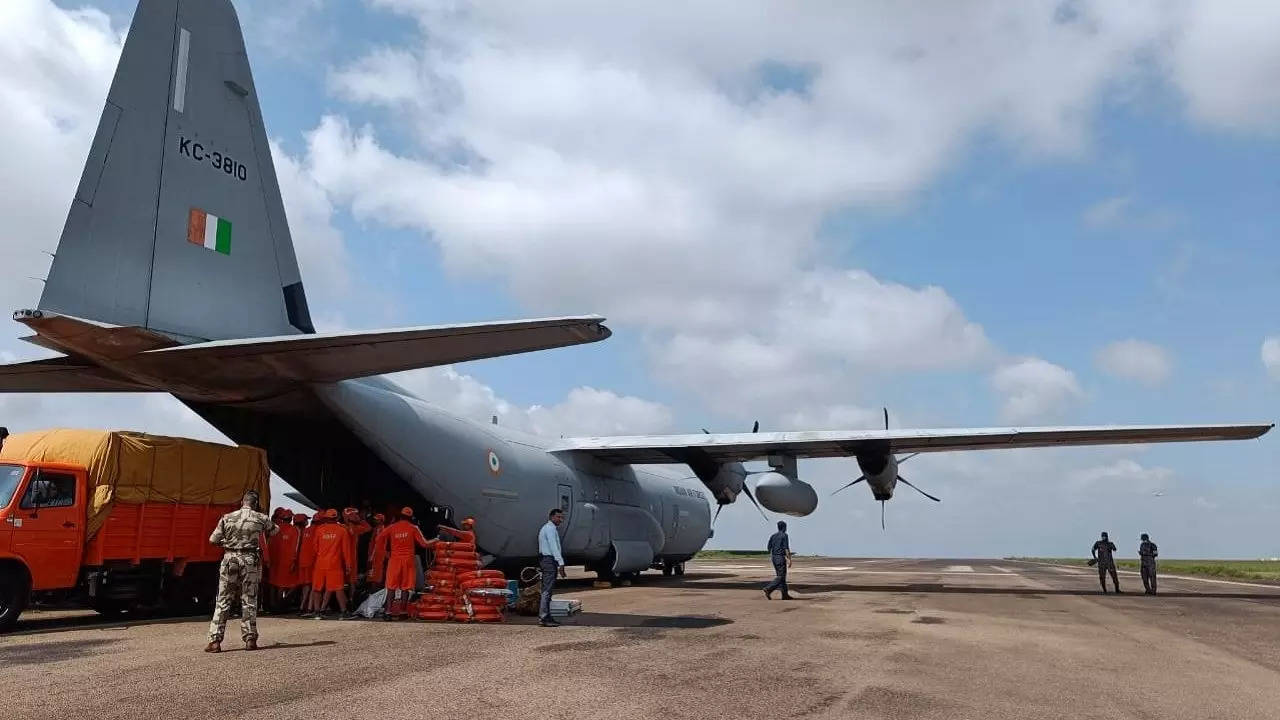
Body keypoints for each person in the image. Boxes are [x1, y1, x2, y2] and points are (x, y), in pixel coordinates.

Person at [205, 489, 276, 653]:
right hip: (250, 561)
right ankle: (250, 639)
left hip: (230, 559)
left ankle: (215, 641)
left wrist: (228, 544)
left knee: (223, 600)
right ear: (255, 504)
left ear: (242, 502)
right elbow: (275, 531)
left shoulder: (227, 518)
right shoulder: (260, 518)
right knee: (249, 600)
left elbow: (212, 539)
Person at [379, 507, 434, 619]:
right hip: (408, 561)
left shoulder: (392, 527)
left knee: (391, 587)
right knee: (405, 587)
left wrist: (385, 553)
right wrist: (436, 540)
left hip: (394, 561)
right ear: (410, 517)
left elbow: (379, 538)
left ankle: (388, 612)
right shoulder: (413, 528)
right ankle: (403, 612)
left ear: (400, 516)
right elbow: (424, 544)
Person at [307, 509, 355, 618]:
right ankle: (344, 612)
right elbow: (346, 550)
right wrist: (348, 565)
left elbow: (314, 548)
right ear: (337, 518)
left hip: (320, 563)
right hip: (334, 564)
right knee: (338, 588)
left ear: (326, 518)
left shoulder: (319, 530)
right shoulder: (342, 531)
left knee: (317, 588)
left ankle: (317, 612)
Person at [537, 508, 567, 627]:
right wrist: (561, 563)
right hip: (549, 560)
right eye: (558, 517)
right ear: (551, 517)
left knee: (548, 590)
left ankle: (547, 616)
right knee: (547, 590)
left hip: (548, 560)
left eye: (561, 518)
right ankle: (544, 617)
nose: (560, 520)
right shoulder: (549, 529)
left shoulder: (549, 528)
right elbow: (553, 547)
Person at [265, 508, 299, 612]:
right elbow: (295, 547)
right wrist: (294, 560)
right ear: (291, 518)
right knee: (282, 584)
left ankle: (272, 604)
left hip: (274, 560)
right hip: (287, 561)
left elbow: (269, 544)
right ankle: (279, 605)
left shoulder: (275, 529)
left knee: (273, 583)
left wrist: (268, 560)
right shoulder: (294, 530)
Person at [341, 507, 371, 587]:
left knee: (343, 579)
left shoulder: (342, 527)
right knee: (352, 580)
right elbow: (368, 528)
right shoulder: (355, 528)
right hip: (351, 557)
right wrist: (361, 520)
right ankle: (350, 598)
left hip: (343, 556)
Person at [763, 520, 793, 600]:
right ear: (784, 527)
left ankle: (785, 595)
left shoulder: (773, 536)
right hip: (780, 558)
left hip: (774, 558)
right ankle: (768, 589)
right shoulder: (784, 535)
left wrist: (774, 554)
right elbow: (786, 548)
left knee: (781, 577)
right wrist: (789, 559)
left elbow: (768, 548)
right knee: (781, 576)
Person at [293, 513, 314, 614]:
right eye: (306, 520)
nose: (307, 522)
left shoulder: (303, 531)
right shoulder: (300, 531)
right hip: (308, 561)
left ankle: (301, 605)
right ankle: (304, 606)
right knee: (308, 585)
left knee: (303, 584)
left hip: (301, 561)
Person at [367, 513, 387, 588]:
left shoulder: (382, 529)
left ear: (381, 521)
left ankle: (375, 590)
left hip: (378, 555)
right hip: (374, 554)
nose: (375, 521)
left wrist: (372, 556)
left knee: (377, 573)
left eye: (377, 520)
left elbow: (378, 544)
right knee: (372, 573)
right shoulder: (376, 529)